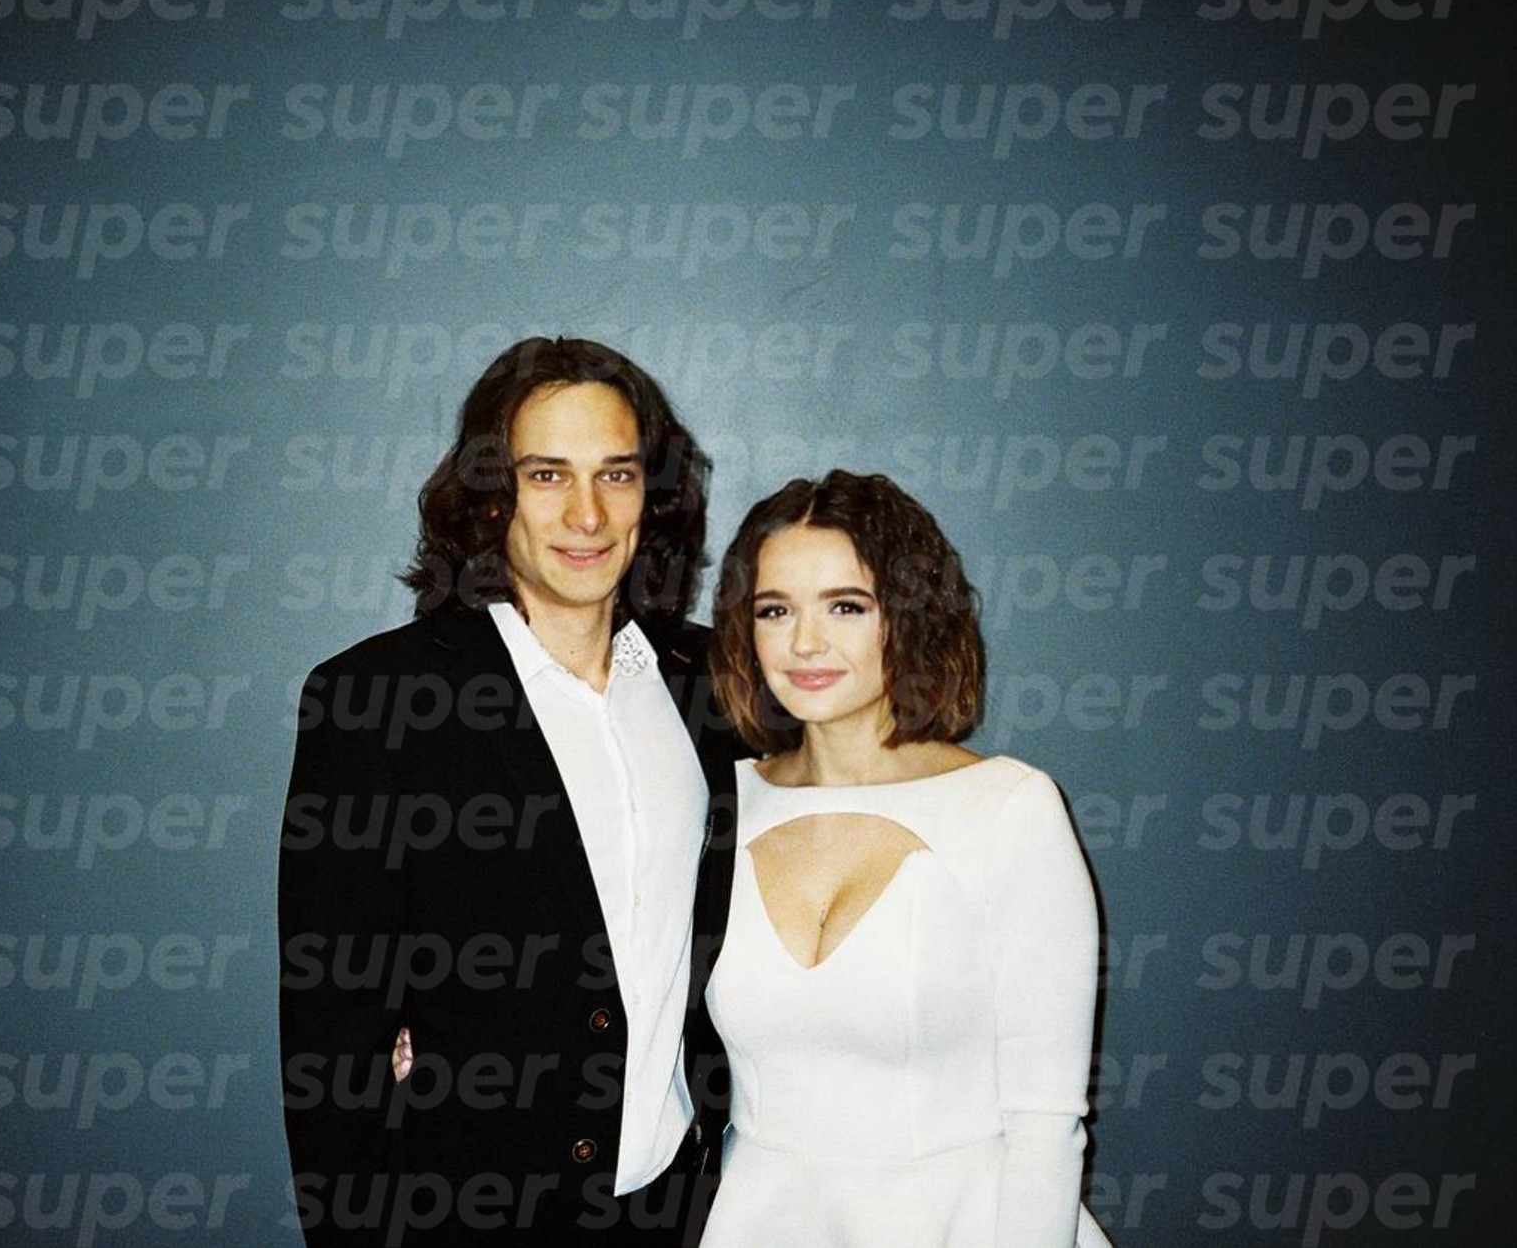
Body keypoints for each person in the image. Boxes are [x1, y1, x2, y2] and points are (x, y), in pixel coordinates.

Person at [278, 336, 737, 1247]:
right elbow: (330, 1044)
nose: (587, 514)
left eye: (616, 474)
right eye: (547, 474)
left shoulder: (715, 686)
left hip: (678, 1210)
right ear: (492, 496)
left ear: (652, 494)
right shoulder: (376, 702)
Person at [701, 470, 1112, 1248]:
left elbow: (1045, 1122)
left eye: (846, 606)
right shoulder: (720, 804)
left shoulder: (1008, 808)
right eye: (775, 609)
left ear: (910, 615)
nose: (806, 642)